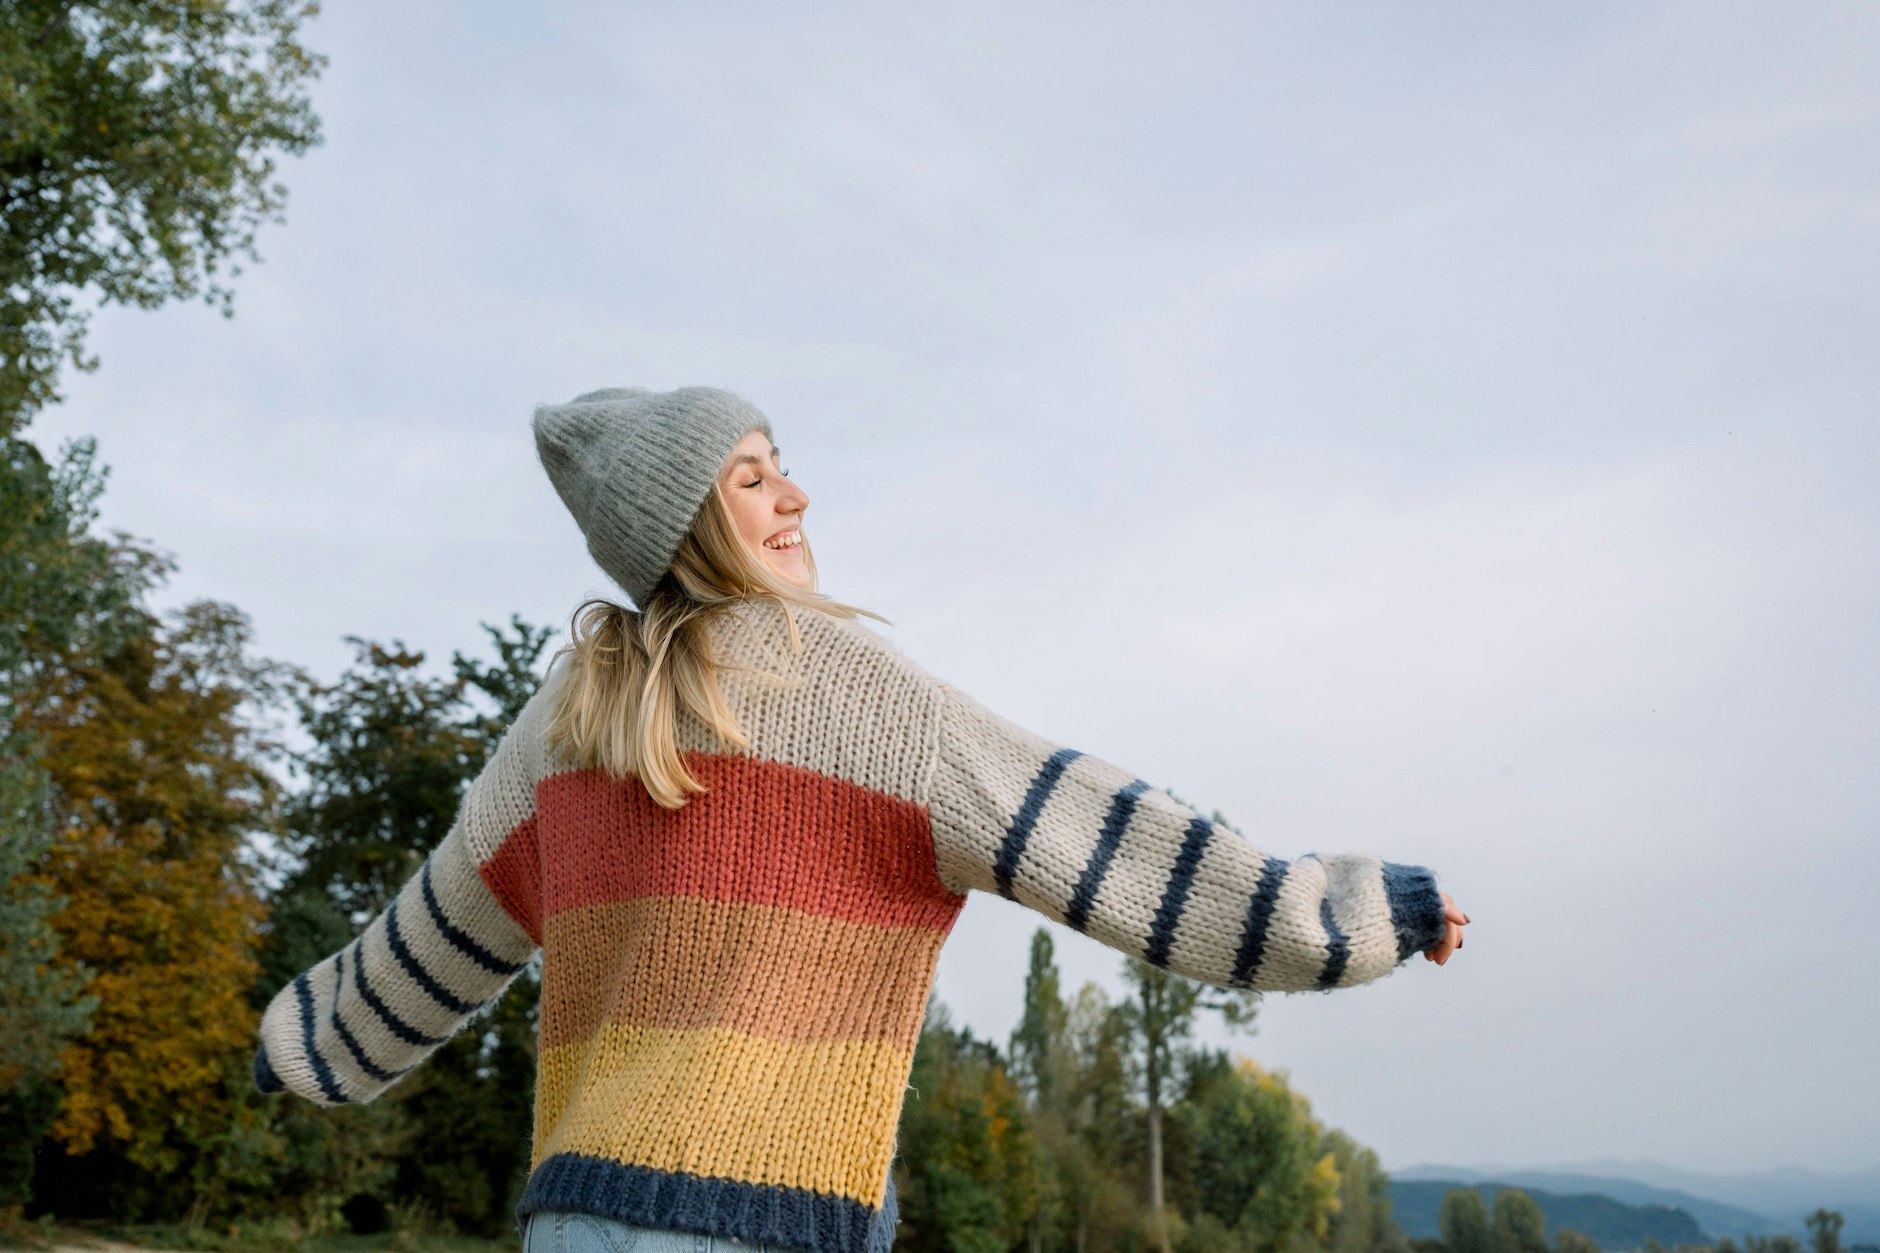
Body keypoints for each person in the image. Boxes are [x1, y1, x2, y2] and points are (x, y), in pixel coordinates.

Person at [252, 385, 1470, 1253]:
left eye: (781, 461)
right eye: (751, 475)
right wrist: (1360, 913)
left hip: (571, 1215)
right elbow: (1120, 850)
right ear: (683, 519)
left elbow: (422, 947)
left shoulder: (565, 720)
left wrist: (304, 1044)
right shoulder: (856, 695)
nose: (794, 492)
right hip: (771, 1211)